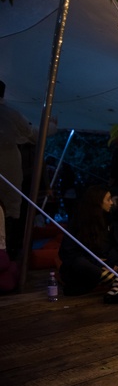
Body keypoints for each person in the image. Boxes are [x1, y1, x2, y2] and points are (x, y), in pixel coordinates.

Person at [58, 185, 118, 304]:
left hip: (105, 265)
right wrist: (97, 263)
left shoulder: (108, 221)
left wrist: (115, 262)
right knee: (79, 261)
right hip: (86, 269)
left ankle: (115, 291)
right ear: (98, 202)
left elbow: (113, 246)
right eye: (108, 199)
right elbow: (67, 253)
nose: (111, 203)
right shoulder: (79, 223)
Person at [0, 80, 56, 259]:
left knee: (12, 207)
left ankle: (10, 251)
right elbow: (33, 134)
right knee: (12, 208)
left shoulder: (10, 114)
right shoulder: (10, 114)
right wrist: (51, 126)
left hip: (10, 166)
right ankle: (9, 252)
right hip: (9, 166)